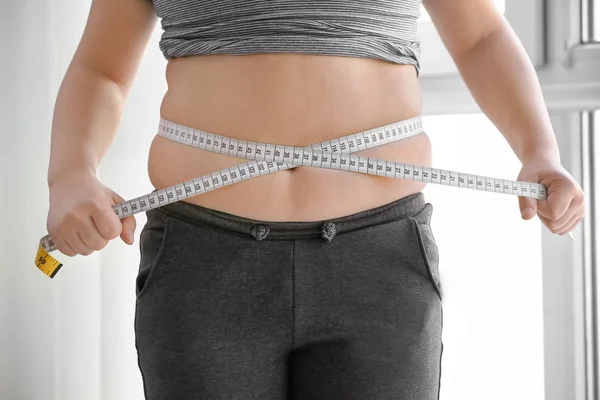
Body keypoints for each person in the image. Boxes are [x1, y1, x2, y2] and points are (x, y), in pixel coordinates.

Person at [45, 0, 586, 399]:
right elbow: (102, 68)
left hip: (378, 261)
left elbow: (482, 36)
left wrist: (540, 150)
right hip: (203, 261)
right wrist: (69, 173)